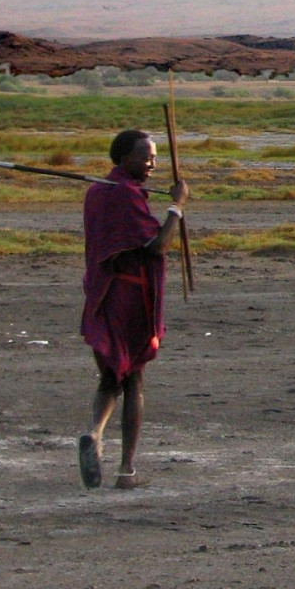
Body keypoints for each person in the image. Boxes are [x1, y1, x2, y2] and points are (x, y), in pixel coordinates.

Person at [77, 128, 188, 489]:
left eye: (155, 156)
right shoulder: (123, 196)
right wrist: (177, 207)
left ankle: (94, 434)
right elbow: (157, 246)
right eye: (146, 156)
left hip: (102, 295)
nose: (152, 163)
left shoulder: (99, 191)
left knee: (111, 376)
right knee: (135, 379)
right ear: (123, 158)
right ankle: (127, 471)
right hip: (129, 298)